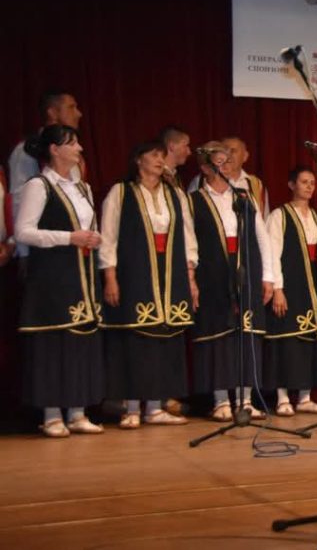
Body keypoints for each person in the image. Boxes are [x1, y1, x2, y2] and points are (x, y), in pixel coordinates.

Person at [99, 140, 197, 428]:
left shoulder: (175, 194)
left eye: (161, 156)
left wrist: (191, 278)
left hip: (170, 274)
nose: (159, 160)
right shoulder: (122, 192)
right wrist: (110, 276)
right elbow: (108, 235)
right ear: (138, 160)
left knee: (165, 339)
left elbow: (188, 237)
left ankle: (155, 406)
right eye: (153, 155)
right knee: (136, 340)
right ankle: (131, 407)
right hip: (135, 273)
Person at [15, 125, 104, 437]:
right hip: (53, 274)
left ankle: (77, 411)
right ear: (54, 150)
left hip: (82, 273)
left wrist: (94, 238)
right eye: (72, 143)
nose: (79, 148)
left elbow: (87, 225)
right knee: (54, 341)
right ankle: (52, 414)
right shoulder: (39, 186)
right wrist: (70, 237)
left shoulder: (83, 189)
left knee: (80, 340)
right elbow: (23, 231)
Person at [189, 143, 275, 421]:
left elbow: (262, 236)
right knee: (219, 336)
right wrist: (190, 276)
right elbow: (189, 243)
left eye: (228, 162)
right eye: (218, 163)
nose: (225, 168)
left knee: (246, 334)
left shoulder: (245, 197)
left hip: (246, 269)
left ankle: (246, 399)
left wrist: (269, 276)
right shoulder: (194, 200)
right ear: (205, 168)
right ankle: (220, 400)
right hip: (212, 273)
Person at [267, 166, 317, 416]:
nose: (309, 186)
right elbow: (272, 253)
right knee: (286, 342)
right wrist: (277, 288)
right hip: (289, 288)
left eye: (312, 183)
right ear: (291, 185)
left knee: (310, 343)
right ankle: (283, 397)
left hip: (314, 289)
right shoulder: (279, 216)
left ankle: (305, 397)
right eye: (304, 182)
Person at [9, 90, 85, 261]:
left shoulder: (72, 153)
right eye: (71, 107)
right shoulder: (27, 152)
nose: (78, 113)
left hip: (74, 248)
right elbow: (19, 202)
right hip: (44, 252)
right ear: (52, 112)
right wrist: (24, 252)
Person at [159, 125, 192, 191]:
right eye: (186, 146)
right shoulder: (156, 177)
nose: (189, 152)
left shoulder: (176, 178)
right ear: (172, 146)